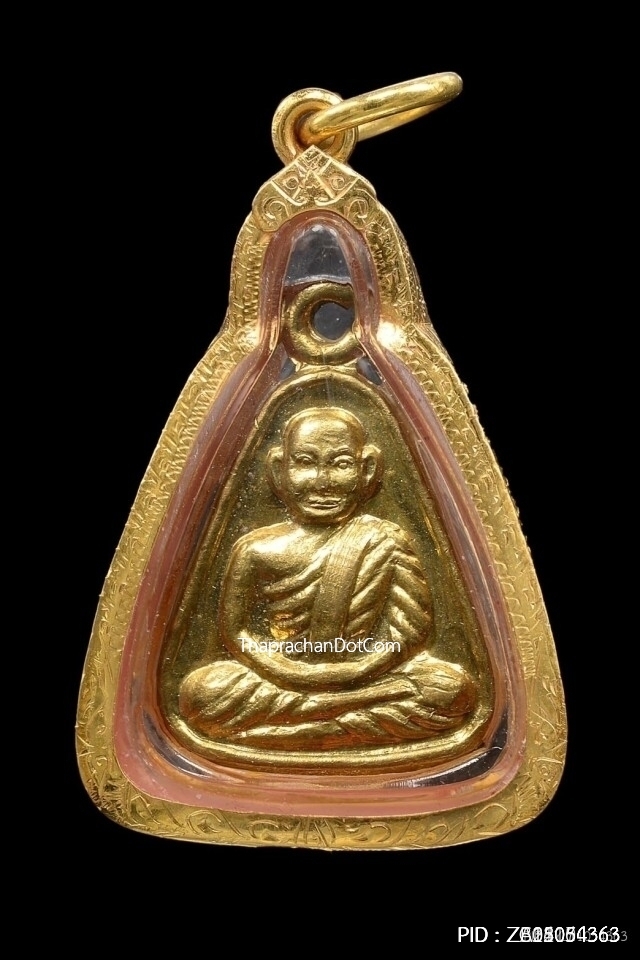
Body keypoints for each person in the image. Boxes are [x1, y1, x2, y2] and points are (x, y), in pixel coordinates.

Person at [179, 407, 476, 748]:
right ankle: (339, 721)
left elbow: (408, 637)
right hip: (284, 677)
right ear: (279, 469)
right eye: (305, 462)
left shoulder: (387, 540)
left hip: (368, 676)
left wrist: (353, 672)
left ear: (367, 470)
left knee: (451, 689)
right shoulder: (255, 549)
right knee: (203, 693)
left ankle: (298, 727)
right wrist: (291, 673)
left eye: (341, 464)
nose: (323, 481)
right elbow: (238, 635)